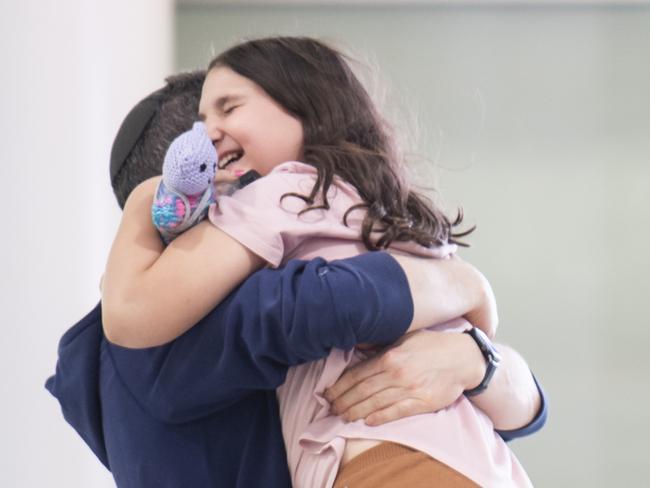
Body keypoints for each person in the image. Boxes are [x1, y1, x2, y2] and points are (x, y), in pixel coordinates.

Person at [47, 70, 546, 488]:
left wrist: (478, 361)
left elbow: (525, 411)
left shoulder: (110, 353)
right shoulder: (206, 315)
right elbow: (326, 300)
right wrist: (465, 284)